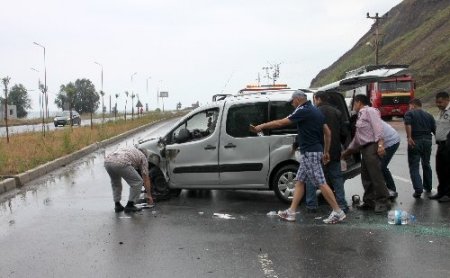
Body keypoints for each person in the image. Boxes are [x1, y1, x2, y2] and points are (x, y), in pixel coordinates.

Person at [250, 90, 346, 224]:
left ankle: (338, 212)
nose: (292, 104)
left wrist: (261, 126)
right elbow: (328, 133)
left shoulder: (303, 110)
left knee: (320, 182)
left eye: (292, 101)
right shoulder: (316, 111)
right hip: (314, 151)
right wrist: (326, 151)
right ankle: (291, 212)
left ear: (298, 99)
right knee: (300, 181)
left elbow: (281, 123)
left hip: (309, 152)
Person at [341, 94, 390, 213]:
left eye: (354, 103)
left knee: (376, 176)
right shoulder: (361, 115)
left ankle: (383, 201)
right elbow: (358, 138)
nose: (354, 106)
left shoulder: (370, 111)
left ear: (359, 102)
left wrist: (380, 145)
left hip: (372, 147)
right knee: (366, 176)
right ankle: (369, 201)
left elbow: (378, 129)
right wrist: (347, 152)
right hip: (364, 148)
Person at [304, 91, 349, 213]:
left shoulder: (314, 113)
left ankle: (311, 205)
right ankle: (342, 205)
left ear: (318, 99)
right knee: (336, 178)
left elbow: (307, 132)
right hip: (334, 151)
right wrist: (341, 145)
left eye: (314, 99)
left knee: (312, 178)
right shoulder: (337, 112)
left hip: (316, 150)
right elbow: (344, 133)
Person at [104, 147, 154, 213]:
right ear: (145, 154)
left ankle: (117, 205)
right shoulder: (143, 157)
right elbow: (146, 178)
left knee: (116, 183)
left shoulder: (131, 150)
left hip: (107, 162)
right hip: (121, 162)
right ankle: (130, 205)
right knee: (138, 182)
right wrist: (149, 195)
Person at [403, 98, 436, 198]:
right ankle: (428, 186)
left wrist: (409, 137)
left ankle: (418, 190)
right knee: (426, 163)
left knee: (414, 165)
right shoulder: (429, 115)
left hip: (415, 140)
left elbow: (408, 124)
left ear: (413, 105)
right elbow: (434, 129)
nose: (409, 108)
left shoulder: (410, 113)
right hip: (427, 141)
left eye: (410, 106)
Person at [429, 91, 450, 202]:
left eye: (440, 102)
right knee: (440, 169)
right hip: (441, 145)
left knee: (448, 170)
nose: (438, 104)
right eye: (437, 102)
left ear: (447, 100)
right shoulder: (441, 112)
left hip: (448, 144)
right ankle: (441, 191)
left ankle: (448, 194)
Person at [381, 120, 401, 199]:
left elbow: (380, 136)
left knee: (382, 166)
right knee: (378, 166)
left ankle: (392, 190)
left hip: (392, 141)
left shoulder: (372, 121)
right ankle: (383, 189)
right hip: (386, 142)